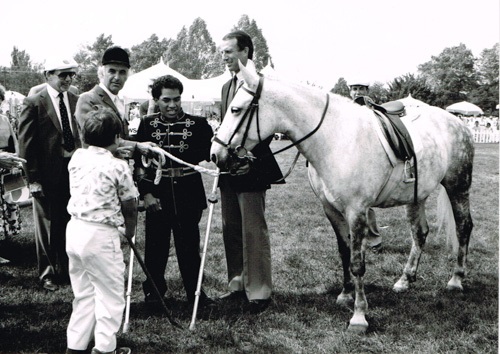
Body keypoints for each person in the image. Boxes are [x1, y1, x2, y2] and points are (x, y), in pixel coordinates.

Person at [133, 75, 214, 306]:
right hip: (157, 194)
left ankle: (195, 293)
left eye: (177, 99)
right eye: (166, 100)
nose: (172, 105)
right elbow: (139, 165)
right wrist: (146, 194)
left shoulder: (199, 125)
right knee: (155, 249)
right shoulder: (147, 124)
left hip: (188, 194)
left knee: (189, 248)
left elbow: (214, 154)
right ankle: (154, 293)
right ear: (156, 100)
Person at [218, 30, 284, 312]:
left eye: (229, 52)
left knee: (253, 231)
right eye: (222, 52)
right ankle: (237, 284)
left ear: (245, 52)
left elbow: (266, 126)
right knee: (230, 228)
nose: (224, 57)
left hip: (252, 167)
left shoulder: (262, 86)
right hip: (228, 169)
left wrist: (248, 155)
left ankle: (258, 292)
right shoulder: (225, 86)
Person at [65, 106, 137, 354]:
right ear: (117, 138)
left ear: (85, 137)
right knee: (110, 294)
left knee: (84, 292)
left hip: (74, 230)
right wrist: (130, 230)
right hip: (100, 235)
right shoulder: (119, 166)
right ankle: (105, 349)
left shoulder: (77, 157)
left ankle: (75, 346)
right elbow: (130, 201)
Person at [18, 58, 82, 291]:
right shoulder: (34, 102)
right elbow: (26, 144)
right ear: (48, 75)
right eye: (62, 75)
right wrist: (32, 179)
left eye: (71, 75)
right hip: (45, 175)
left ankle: (67, 270)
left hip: (73, 173)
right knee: (46, 225)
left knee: (70, 221)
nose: (67, 79)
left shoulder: (77, 100)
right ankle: (47, 273)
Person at [75, 46, 157, 158]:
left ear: (127, 76)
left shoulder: (121, 102)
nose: (117, 77)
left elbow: (128, 135)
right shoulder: (87, 99)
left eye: (122, 72)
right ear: (102, 73)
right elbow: (99, 140)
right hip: (96, 168)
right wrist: (137, 146)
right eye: (112, 71)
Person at [348, 81, 383, 251]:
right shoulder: (345, 108)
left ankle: (374, 240)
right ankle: (353, 236)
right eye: (354, 89)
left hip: (367, 160)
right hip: (347, 161)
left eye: (361, 89)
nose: (357, 92)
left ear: (367, 90)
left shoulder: (372, 108)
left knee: (362, 203)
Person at [0, 85, 22, 239]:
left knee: (8, 205)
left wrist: (15, 162)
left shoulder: (4, 119)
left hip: (7, 171)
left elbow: (15, 144)